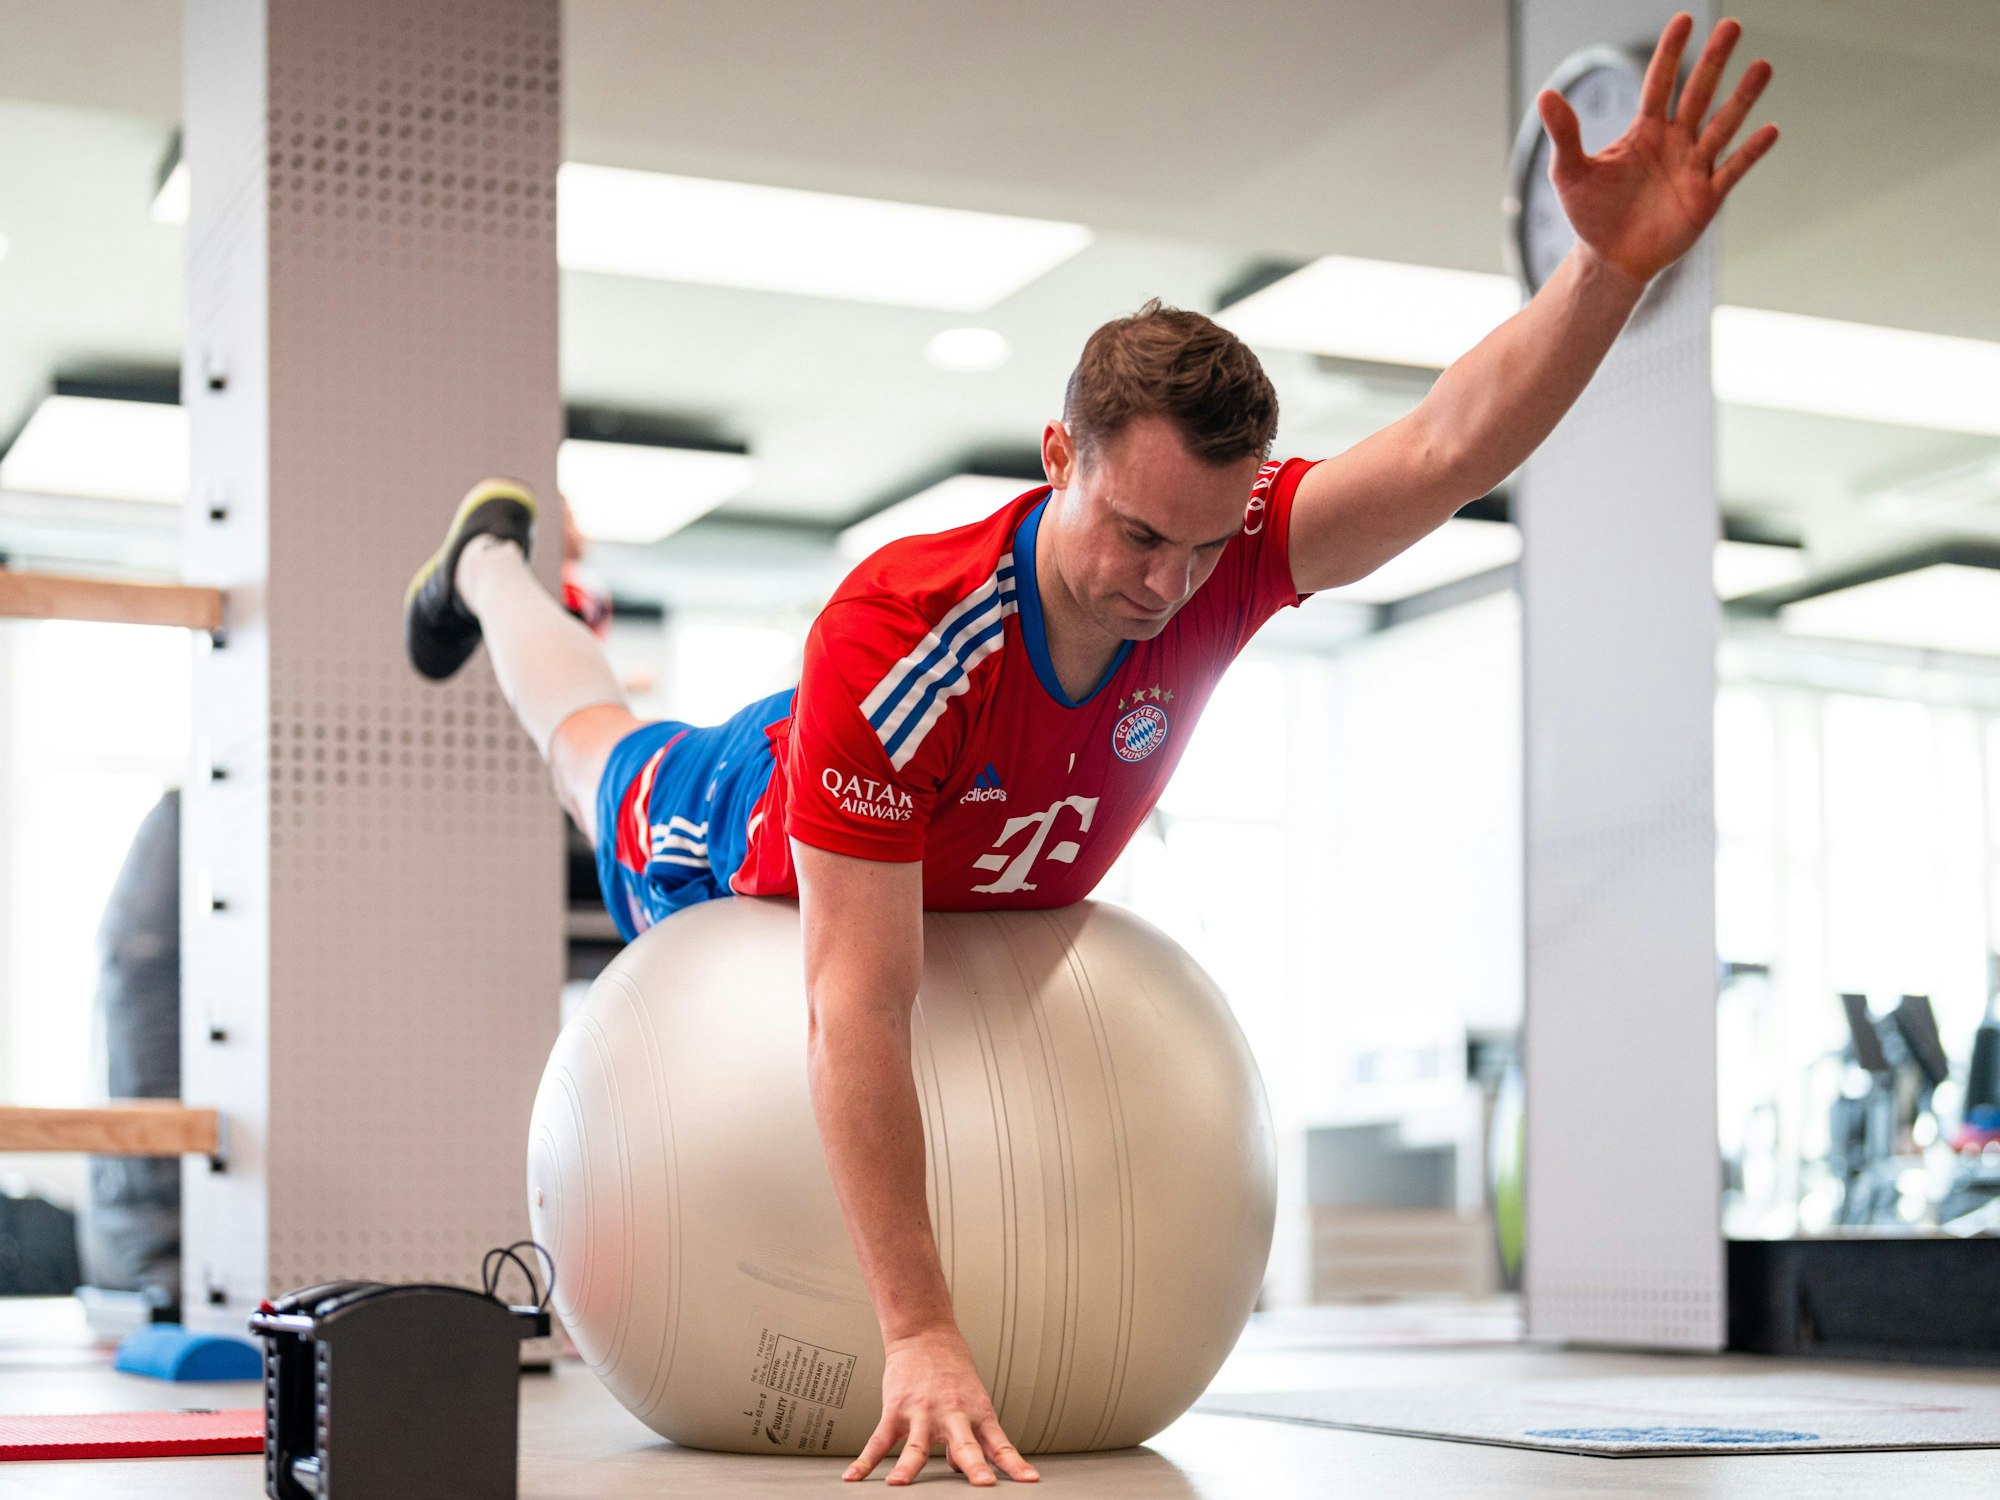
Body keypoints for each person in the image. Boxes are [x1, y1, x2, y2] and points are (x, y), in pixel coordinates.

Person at [402, 15, 1773, 1485]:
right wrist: (920, 1329)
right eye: (1133, 531)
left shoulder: (1225, 549)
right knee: (591, 742)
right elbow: (856, 1011)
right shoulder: (903, 639)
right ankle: (489, 569)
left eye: (1198, 544)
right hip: (749, 835)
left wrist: (1610, 270)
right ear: (1060, 457)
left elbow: (1446, 446)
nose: (1166, 583)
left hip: (977, 880)